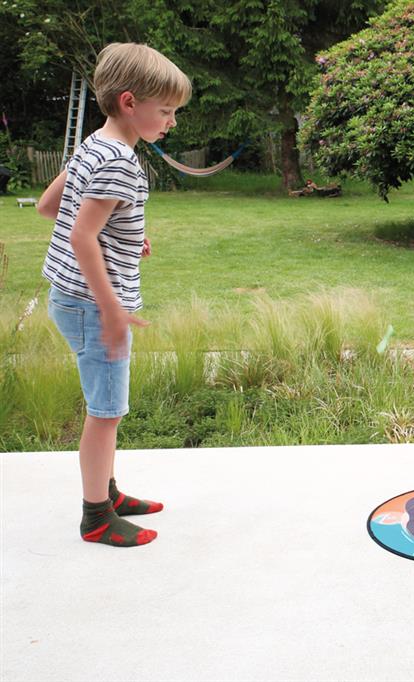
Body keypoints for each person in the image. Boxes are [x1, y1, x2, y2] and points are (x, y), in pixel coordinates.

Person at [36, 43, 192, 547]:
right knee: (106, 414)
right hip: (93, 306)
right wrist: (112, 310)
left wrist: (125, 235)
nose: (171, 122)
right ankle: (97, 517)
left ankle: (108, 491)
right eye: (165, 111)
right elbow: (82, 235)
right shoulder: (120, 162)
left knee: (106, 408)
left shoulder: (93, 145)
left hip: (70, 296)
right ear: (129, 102)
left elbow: (50, 206)